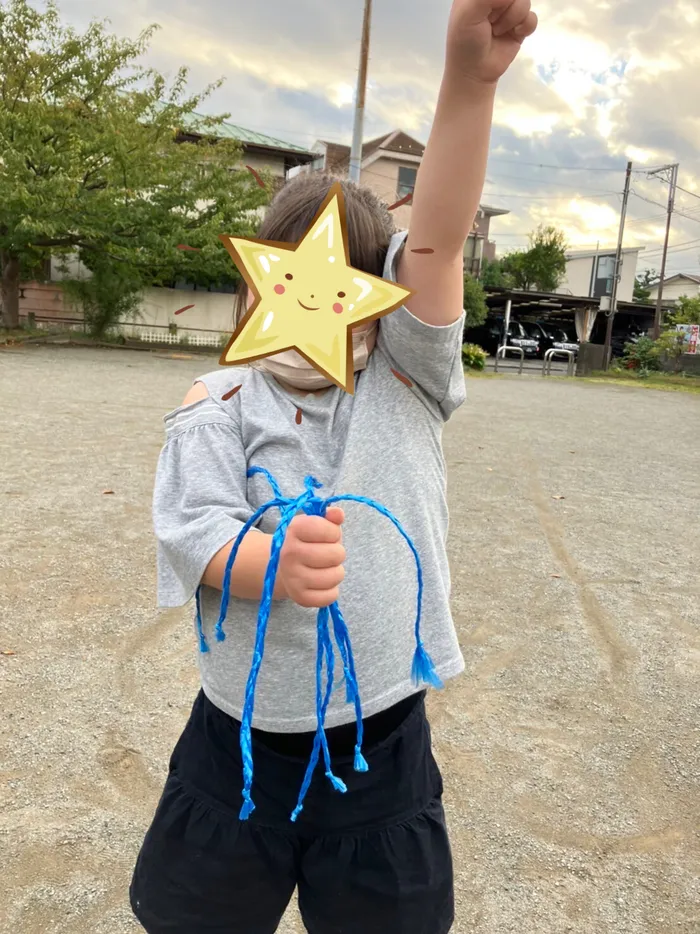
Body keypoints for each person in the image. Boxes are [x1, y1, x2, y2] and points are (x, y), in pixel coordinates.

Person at [130, 2, 537, 932]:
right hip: (237, 736)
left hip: (382, 739)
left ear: (383, 300)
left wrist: (470, 84)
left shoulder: (406, 372)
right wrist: (256, 563)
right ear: (253, 282)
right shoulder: (219, 403)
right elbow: (189, 527)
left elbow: (434, 236)